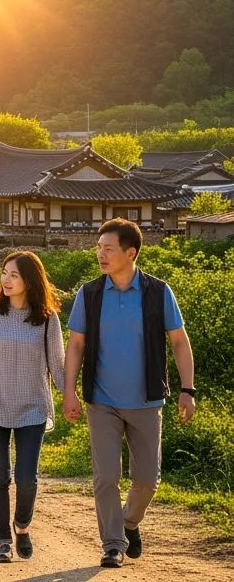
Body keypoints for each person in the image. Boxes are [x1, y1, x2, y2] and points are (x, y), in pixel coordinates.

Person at [62, 218, 197, 569]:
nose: (100, 254)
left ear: (130, 252)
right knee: (106, 476)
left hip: (147, 401)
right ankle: (111, 544)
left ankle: (129, 523)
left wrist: (187, 389)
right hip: (102, 400)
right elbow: (76, 345)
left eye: (108, 248)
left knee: (148, 480)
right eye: (98, 247)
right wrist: (69, 392)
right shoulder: (89, 294)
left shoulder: (157, 291)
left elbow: (179, 341)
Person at [0, 251, 65, 563]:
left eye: (14, 275)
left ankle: (21, 525)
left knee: (26, 478)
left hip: (32, 407)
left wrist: (74, 398)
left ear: (30, 280)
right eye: (4, 273)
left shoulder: (47, 318)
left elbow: (57, 366)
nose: (6, 280)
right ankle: (3, 541)